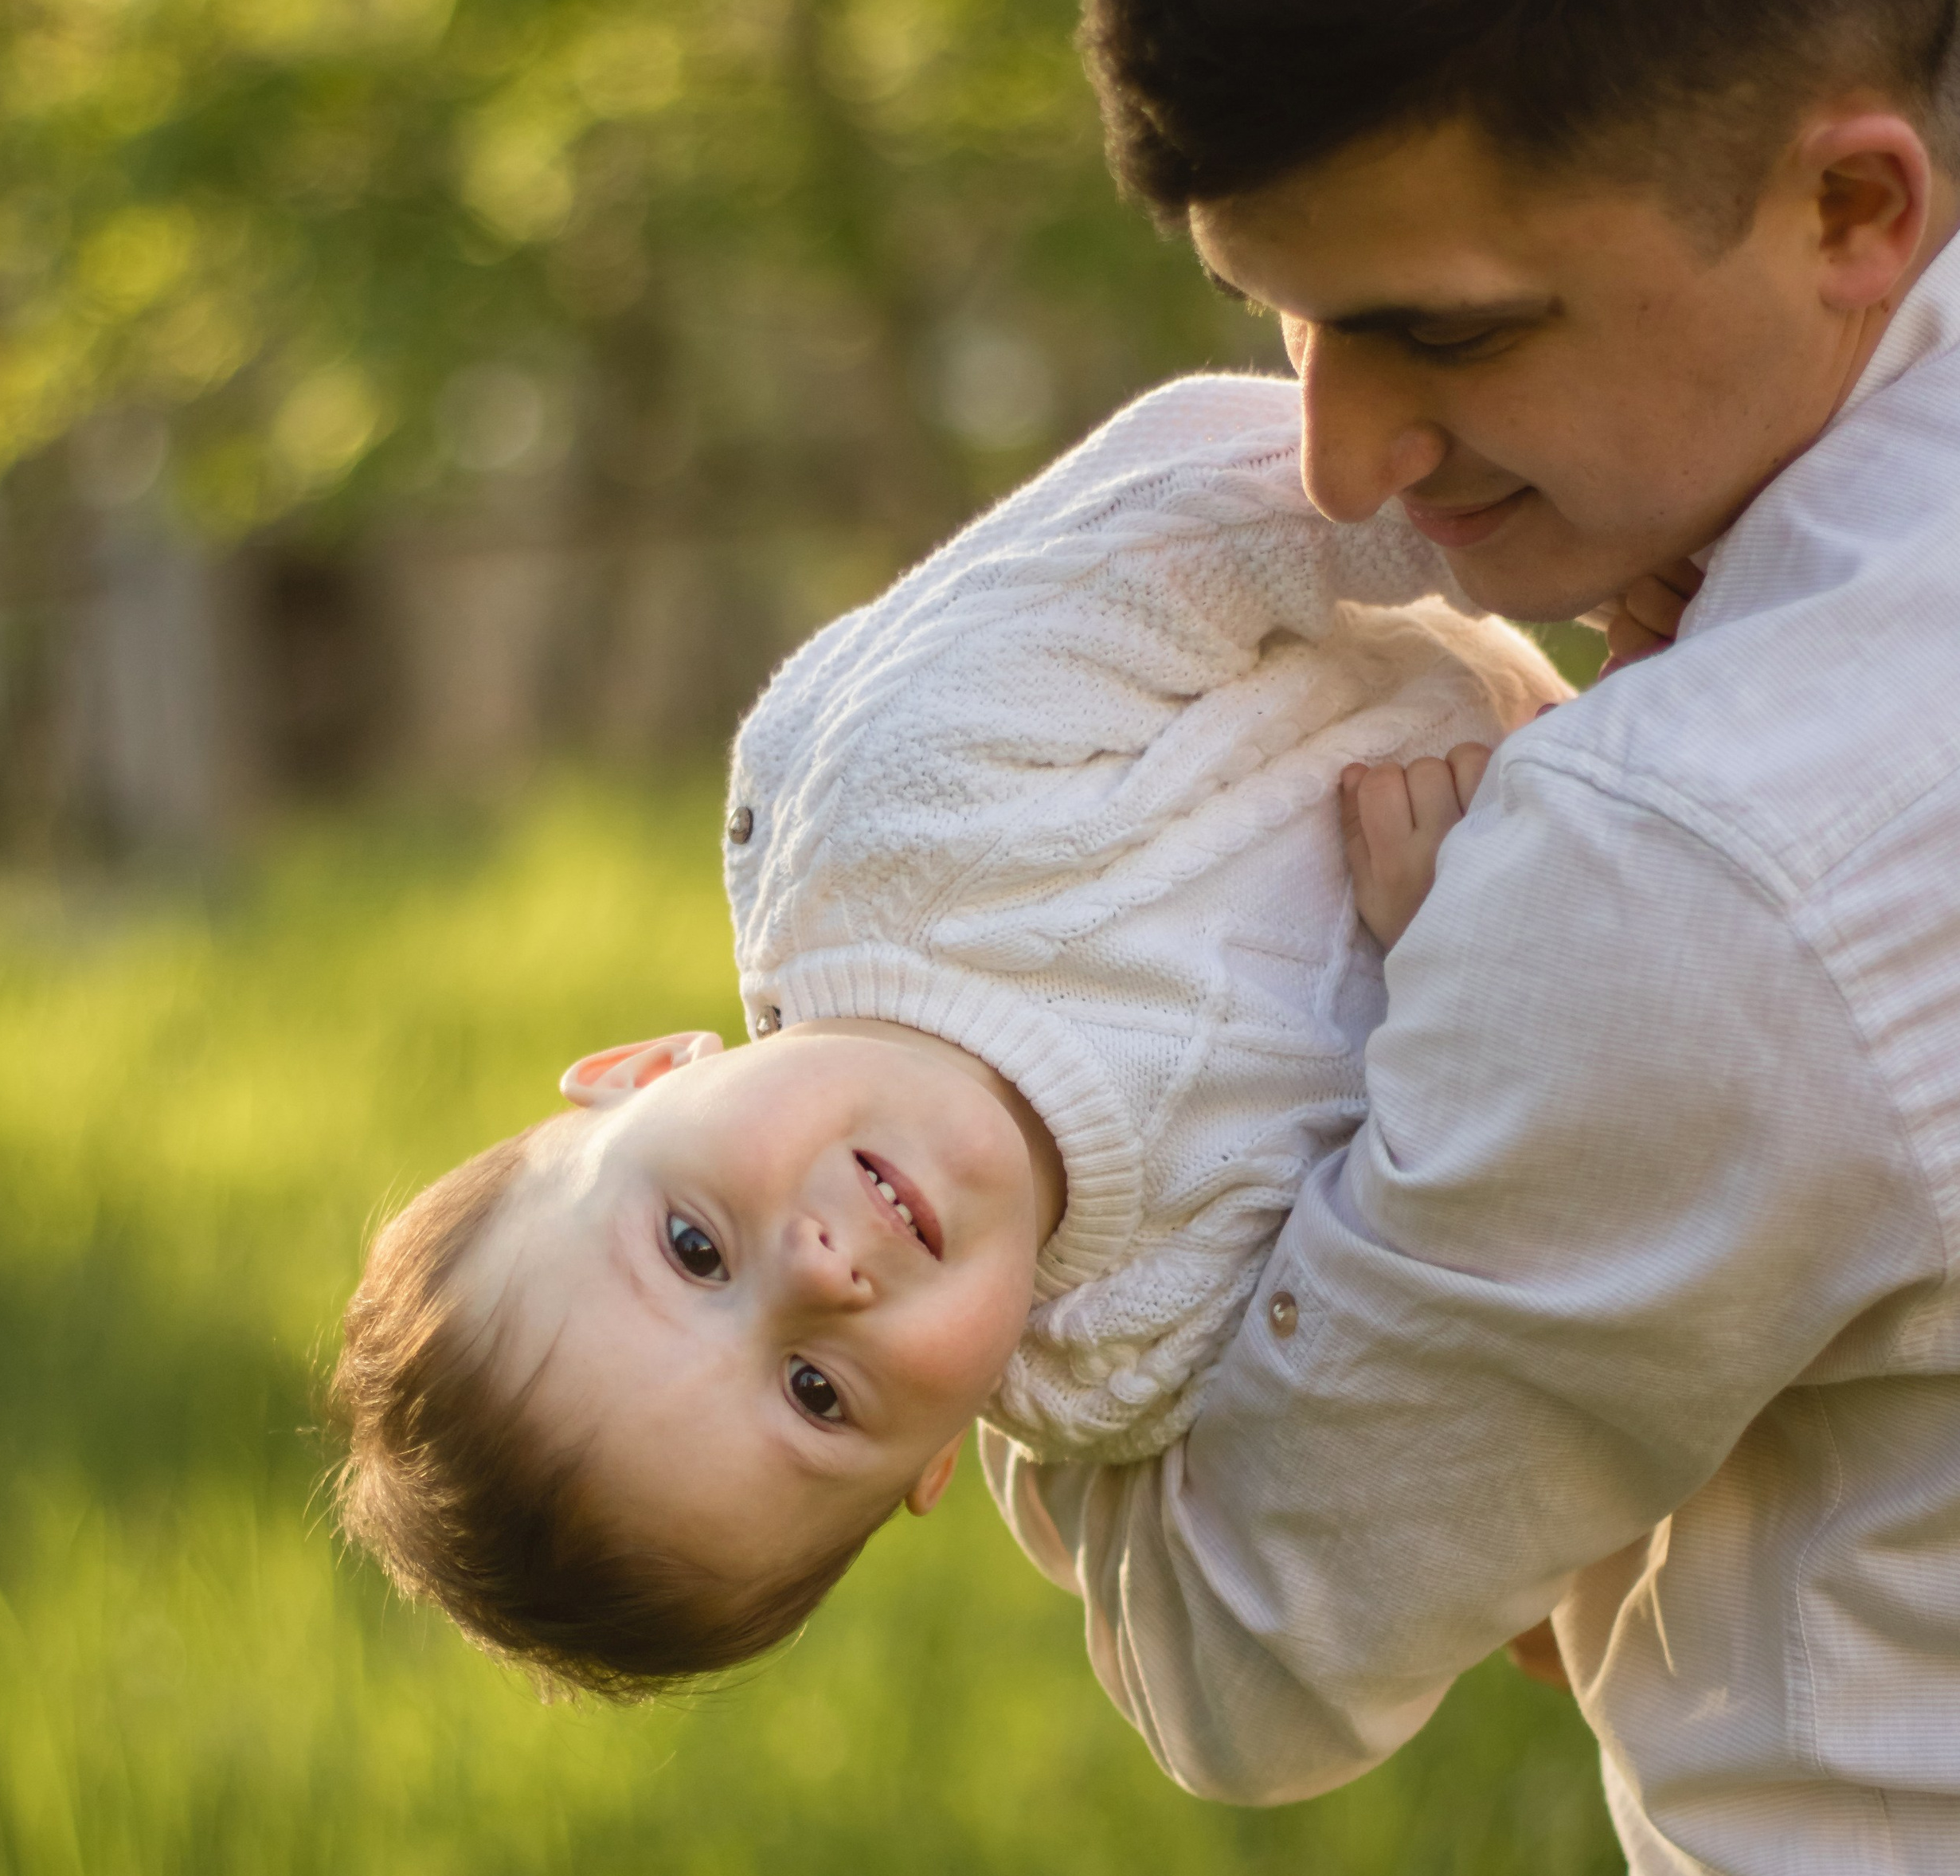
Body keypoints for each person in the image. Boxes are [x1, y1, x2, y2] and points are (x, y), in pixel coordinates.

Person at [1005, 0, 1960, 1876]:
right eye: (1276, 321)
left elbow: (1255, 1639)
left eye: (1446, 331)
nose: (1333, 460)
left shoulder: (1702, 849)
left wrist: (981, 1164)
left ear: (1852, 202)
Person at [330, 370, 1558, 1690]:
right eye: (815, 1395)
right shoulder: (1122, 1366)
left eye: (693, 1249)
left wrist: (1569, 532)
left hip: (1522, 513)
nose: (812, 1278)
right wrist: (1463, 965)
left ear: (640, 1075)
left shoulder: (896, 805)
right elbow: (1447, 1252)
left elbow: (1201, 509)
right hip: (1612, 896)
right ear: (934, 1463)